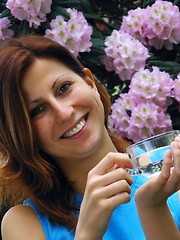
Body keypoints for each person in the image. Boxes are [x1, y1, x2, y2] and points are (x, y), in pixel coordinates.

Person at [0, 35, 179, 240]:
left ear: (90, 83)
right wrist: (87, 233)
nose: (64, 112)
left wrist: (153, 209)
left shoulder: (168, 175)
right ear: (23, 134)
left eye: (64, 88)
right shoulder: (25, 223)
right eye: (37, 110)